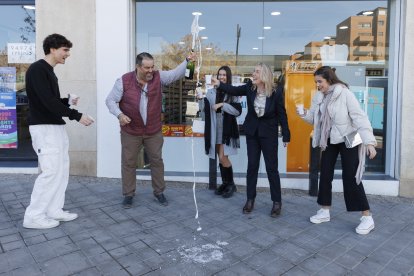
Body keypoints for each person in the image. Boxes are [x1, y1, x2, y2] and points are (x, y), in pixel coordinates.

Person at [106, 51, 196, 208]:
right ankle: (128, 194)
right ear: (138, 67)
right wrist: (119, 115)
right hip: (131, 130)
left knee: (156, 161)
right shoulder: (124, 81)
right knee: (128, 162)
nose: (150, 71)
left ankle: (159, 192)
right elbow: (110, 101)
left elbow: (175, 74)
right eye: (147, 68)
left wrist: (187, 60)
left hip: (153, 130)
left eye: (152, 67)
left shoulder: (158, 77)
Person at [23, 34, 94, 229]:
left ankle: (54, 209)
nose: (68, 54)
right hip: (44, 129)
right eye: (65, 50)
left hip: (54, 127)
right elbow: (46, 102)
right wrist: (76, 115)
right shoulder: (38, 69)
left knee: (61, 170)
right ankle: (34, 216)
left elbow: (48, 102)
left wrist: (66, 102)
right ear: (53, 49)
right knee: (51, 172)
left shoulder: (49, 71)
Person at [298, 66, 377, 235]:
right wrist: (304, 113)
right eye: (316, 82)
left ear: (329, 79)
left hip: (349, 137)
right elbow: (314, 119)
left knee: (351, 176)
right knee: (325, 173)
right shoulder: (318, 96)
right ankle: (325, 210)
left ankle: (367, 217)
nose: (318, 85)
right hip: (329, 139)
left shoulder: (344, 93)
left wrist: (369, 142)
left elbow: (359, 117)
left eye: (320, 81)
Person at [212, 63, 290, 217]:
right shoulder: (249, 87)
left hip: (269, 134)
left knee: (271, 169)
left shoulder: (276, 91)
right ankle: (250, 199)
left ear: (265, 75)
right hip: (253, 133)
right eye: (253, 71)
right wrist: (220, 84)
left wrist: (286, 135)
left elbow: (282, 114)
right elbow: (233, 89)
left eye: (257, 72)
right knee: (252, 167)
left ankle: (276, 202)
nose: (253, 74)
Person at [199, 66, 242, 198]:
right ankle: (225, 183)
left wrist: (223, 105)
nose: (222, 77)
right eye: (220, 75)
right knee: (220, 157)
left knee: (223, 157)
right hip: (214, 128)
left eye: (224, 75)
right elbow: (203, 112)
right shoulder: (211, 92)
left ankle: (231, 184)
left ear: (228, 77)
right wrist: (200, 99)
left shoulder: (232, 92)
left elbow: (237, 111)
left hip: (226, 130)